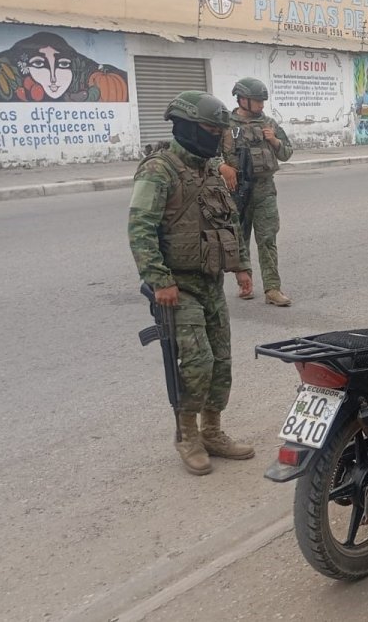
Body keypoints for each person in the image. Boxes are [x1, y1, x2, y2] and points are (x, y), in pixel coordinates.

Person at [128, 91, 257, 475]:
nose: (217, 136)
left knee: (221, 362)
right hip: (177, 286)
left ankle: (213, 431)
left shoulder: (210, 170)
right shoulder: (159, 170)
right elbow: (140, 228)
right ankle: (187, 435)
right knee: (197, 362)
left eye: (221, 130)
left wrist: (242, 266)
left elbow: (229, 223)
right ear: (184, 126)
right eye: (210, 129)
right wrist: (158, 279)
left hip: (211, 282)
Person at [219, 77, 294, 306]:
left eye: (263, 101)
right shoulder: (225, 126)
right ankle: (245, 284)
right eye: (257, 101)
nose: (262, 105)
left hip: (264, 191)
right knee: (239, 239)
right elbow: (206, 156)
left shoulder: (269, 123)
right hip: (237, 191)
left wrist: (275, 142)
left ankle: (272, 288)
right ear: (242, 99)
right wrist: (222, 167)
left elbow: (287, 152)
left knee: (267, 239)